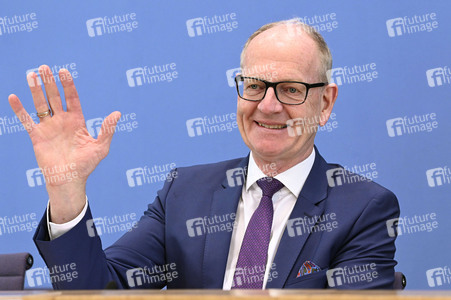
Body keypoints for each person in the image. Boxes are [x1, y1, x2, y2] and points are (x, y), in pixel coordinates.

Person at [8, 19, 399, 289]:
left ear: (326, 103)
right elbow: (96, 290)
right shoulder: (185, 192)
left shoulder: (364, 208)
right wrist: (66, 188)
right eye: (254, 85)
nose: (268, 105)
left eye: (291, 89)